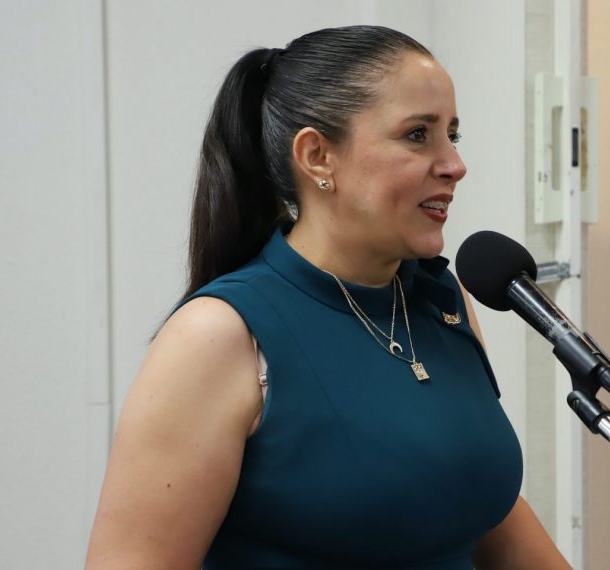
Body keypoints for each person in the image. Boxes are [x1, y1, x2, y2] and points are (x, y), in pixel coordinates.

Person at [85, 25, 569, 569]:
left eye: (452, 135)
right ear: (317, 156)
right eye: (418, 134)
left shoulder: (442, 298)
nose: (454, 164)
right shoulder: (220, 335)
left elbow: (481, 506)